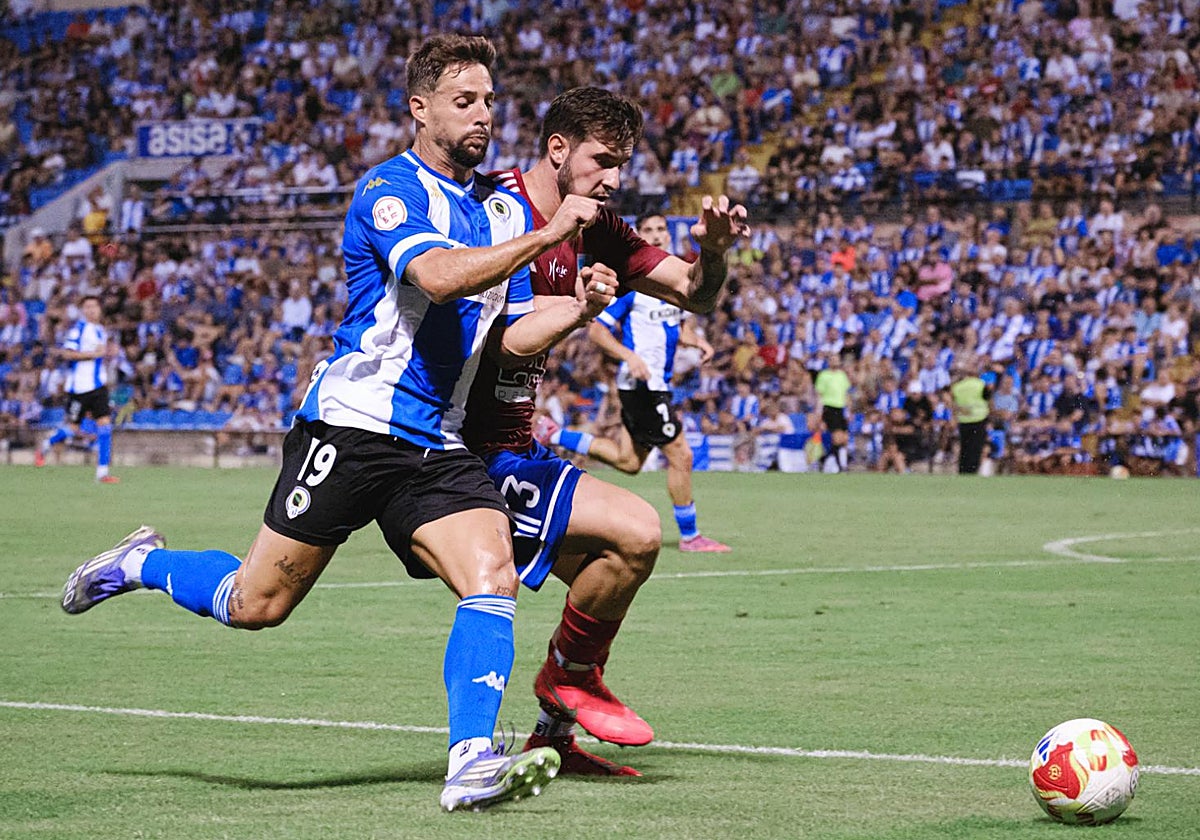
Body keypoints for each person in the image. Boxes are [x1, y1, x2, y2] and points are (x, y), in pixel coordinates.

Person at [59, 34, 618, 813]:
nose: (484, 114)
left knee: (490, 578)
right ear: (419, 109)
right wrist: (548, 236)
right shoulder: (390, 190)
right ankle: (140, 564)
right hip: (351, 429)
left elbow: (505, 329)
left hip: (438, 445)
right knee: (255, 604)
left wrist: (581, 306)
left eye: (490, 101)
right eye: (465, 101)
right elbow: (437, 277)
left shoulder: (493, 210)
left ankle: (468, 764)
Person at [460, 87, 747, 776]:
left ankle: (554, 729)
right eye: (603, 160)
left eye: (622, 163)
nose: (615, 178)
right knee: (265, 599)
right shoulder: (494, 212)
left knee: (619, 555)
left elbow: (690, 291)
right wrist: (583, 309)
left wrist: (712, 254)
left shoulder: (596, 227)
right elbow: (500, 344)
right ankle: (559, 691)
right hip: (453, 446)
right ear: (557, 148)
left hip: (514, 442)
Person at [548, 212, 732, 553]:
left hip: (654, 385)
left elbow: (677, 326)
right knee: (681, 455)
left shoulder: (673, 283)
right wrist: (629, 357)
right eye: (648, 230)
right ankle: (691, 537)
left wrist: (697, 342)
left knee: (629, 461)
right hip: (642, 385)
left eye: (661, 229)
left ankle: (553, 434)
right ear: (640, 236)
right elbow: (598, 330)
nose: (657, 234)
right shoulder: (633, 286)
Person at [35, 295, 119, 483]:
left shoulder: (100, 330)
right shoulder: (79, 329)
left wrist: (106, 356)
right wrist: (92, 355)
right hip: (79, 388)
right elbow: (67, 353)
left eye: (94, 306)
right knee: (73, 428)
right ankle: (46, 444)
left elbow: (100, 355)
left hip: (98, 386)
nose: (91, 310)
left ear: (100, 309)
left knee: (105, 427)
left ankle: (102, 473)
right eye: (87, 307)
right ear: (83, 311)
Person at [951, 362, 993, 474]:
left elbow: (954, 403)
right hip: (978, 420)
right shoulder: (981, 384)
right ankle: (972, 470)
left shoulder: (957, 386)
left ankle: (963, 470)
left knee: (964, 447)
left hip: (963, 420)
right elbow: (988, 399)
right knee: (975, 448)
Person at [813, 352, 851, 472]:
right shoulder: (824, 375)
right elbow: (819, 395)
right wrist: (819, 413)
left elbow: (846, 394)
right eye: (832, 359)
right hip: (829, 407)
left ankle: (824, 459)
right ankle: (840, 465)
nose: (835, 361)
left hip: (841, 408)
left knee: (844, 438)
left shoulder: (842, 375)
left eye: (836, 359)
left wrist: (849, 410)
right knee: (836, 437)